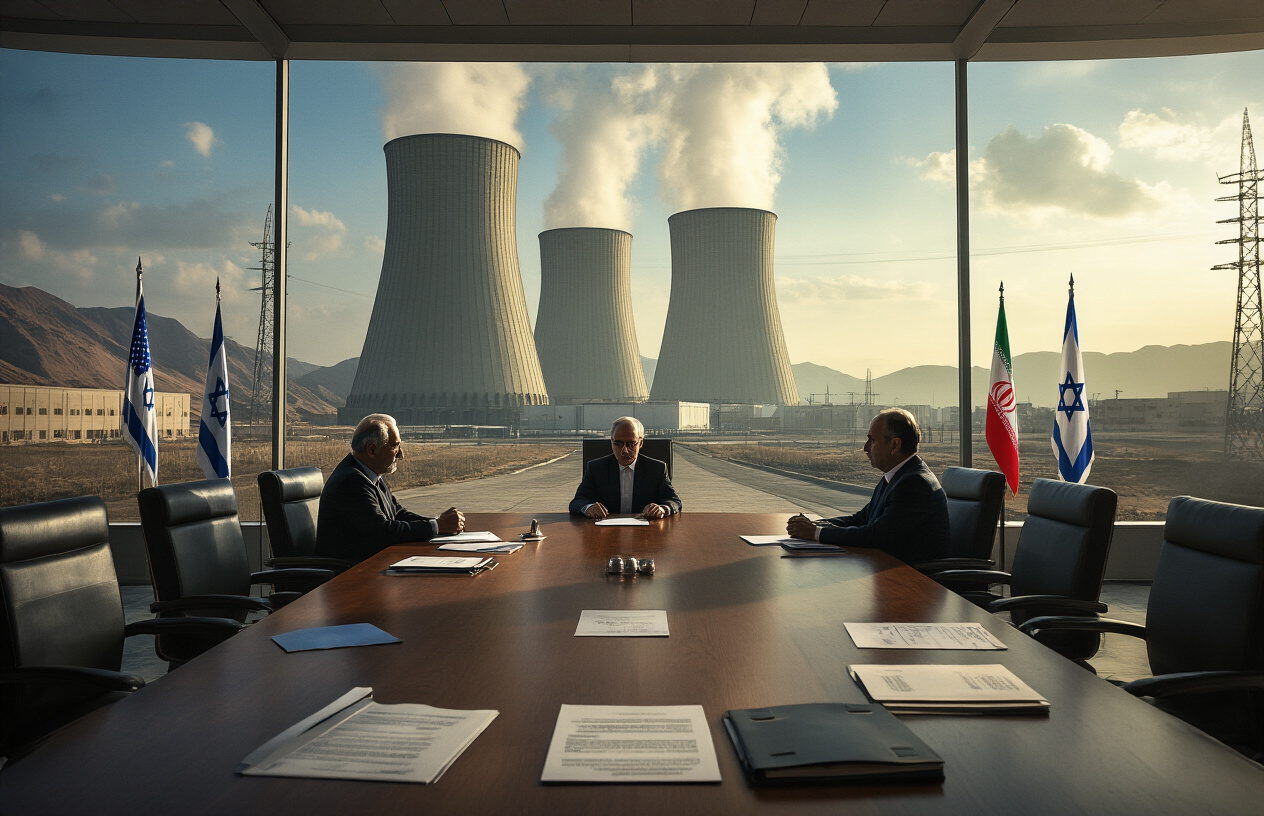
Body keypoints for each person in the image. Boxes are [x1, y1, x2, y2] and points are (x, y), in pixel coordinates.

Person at [786, 407, 949, 564]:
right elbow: (861, 519)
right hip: (886, 568)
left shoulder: (914, 483)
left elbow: (876, 535)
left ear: (894, 445)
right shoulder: (897, 476)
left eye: (872, 440)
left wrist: (816, 533)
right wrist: (816, 524)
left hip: (914, 581)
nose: (865, 448)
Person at [316, 413, 464, 562]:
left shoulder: (370, 475)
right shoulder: (351, 482)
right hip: (349, 574)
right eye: (394, 446)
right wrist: (436, 526)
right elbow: (383, 532)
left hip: (373, 565)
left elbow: (398, 513)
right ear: (372, 450)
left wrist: (439, 522)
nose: (401, 454)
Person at [569, 416, 682, 519]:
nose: (624, 450)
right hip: (606, 534)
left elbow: (674, 501)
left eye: (631, 444)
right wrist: (589, 508)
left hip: (645, 534)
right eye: (618, 444)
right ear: (611, 442)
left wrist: (662, 509)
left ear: (641, 443)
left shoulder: (657, 469)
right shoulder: (596, 468)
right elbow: (578, 501)